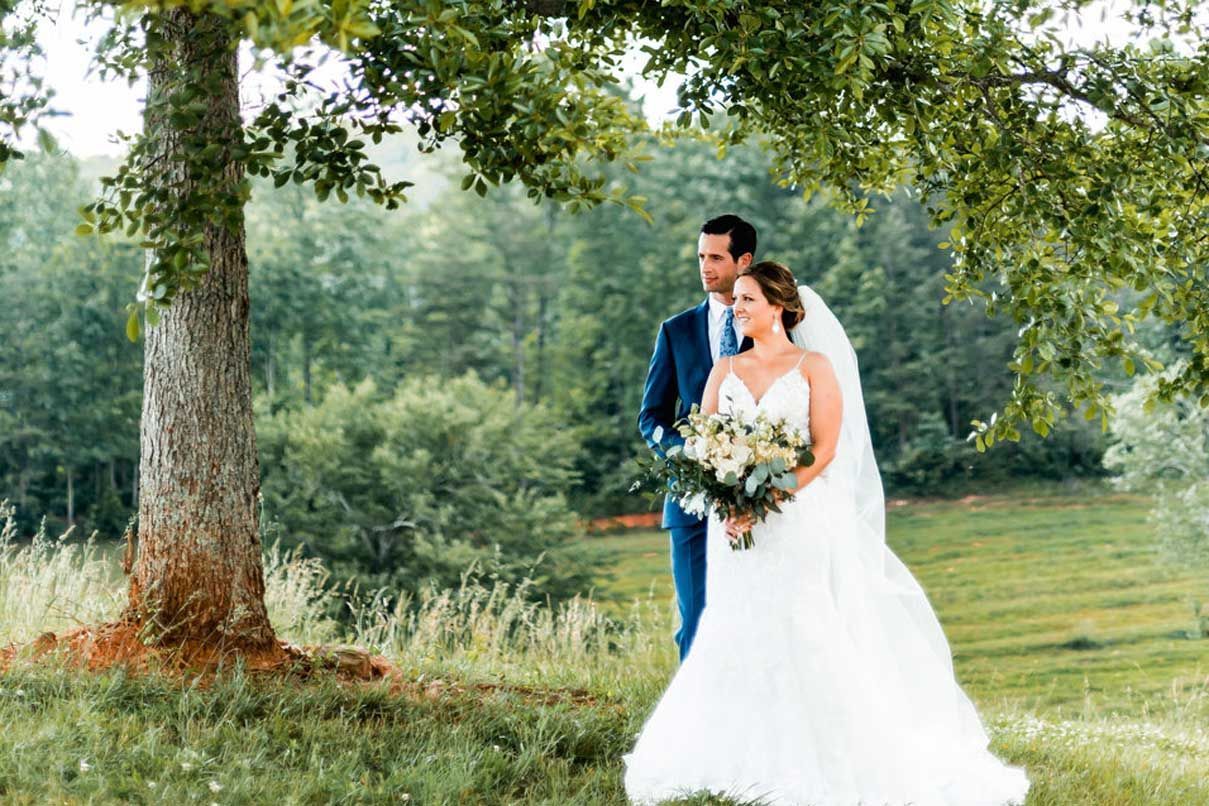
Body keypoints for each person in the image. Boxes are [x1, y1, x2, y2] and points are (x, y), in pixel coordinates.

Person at [625, 261, 1030, 806]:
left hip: (794, 520)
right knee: (732, 626)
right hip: (735, 528)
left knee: (800, 623)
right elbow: (706, 445)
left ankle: (825, 757)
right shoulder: (724, 370)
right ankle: (728, 753)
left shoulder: (813, 366)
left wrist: (768, 493)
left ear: (780, 307)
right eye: (736, 299)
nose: (736, 308)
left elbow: (824, 447)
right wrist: (728, 500)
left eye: (747, 299)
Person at [637, 214, 756, 661]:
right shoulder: (676, 330)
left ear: (744, 260)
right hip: (690, 501)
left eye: (716, 257)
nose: (705, 266)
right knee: (696, 623)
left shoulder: (771, 326)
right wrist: (686, 453)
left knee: (755, 616)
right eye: (700, 256)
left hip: (757, 500)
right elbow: (650, 416)